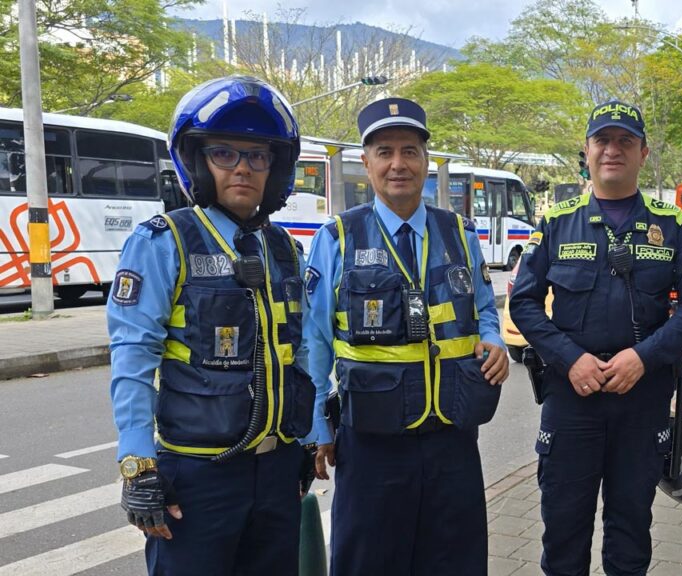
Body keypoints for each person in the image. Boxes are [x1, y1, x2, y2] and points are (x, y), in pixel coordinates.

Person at [108, 75, 316, 575]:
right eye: (224, 153)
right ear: (198, 161)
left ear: (275, 167)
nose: (243, 168)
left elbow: (300, 352)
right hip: (199, 476)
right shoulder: (165, 242)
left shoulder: (285, 250)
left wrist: (307, 440)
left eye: (257, 156)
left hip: (278, 471)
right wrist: (138, 464)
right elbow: (133, 357)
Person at [303, 97, 509, 576]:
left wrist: (495, 339)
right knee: (368, 563)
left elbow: (483, 306)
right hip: (370, 440)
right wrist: (316, 426)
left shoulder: (459, 232)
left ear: (425, 160)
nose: (398, 164)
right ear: (367, 162)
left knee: (454, 563)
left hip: (453, 436)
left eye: (410, 151)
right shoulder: (337, 237)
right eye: (385, 152)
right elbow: (313, 340)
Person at [509, 100, 682, 576]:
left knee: (630, 532)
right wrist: (569, 358)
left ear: (643, 153)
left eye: (625, 141)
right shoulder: (556, 222)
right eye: (602, 140)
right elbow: (523, 303)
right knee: (563, 533)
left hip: (641, 400)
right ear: (586, 151)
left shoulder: (672, 225)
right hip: (571, 398)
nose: (612, 150)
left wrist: (644, 357)